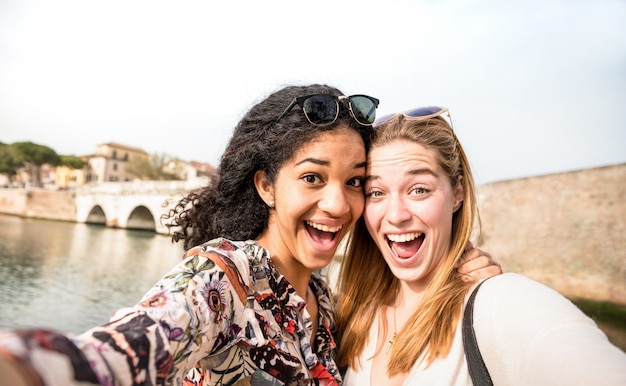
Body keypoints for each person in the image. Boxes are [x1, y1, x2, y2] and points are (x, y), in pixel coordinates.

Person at [0, 87, 499, 385]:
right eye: (312, 178)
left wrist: (453, 273)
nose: (338, 204)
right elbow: (122, 350)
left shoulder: (325, 304)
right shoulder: (222, 278)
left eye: (354, 182)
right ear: (265, 184)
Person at [335, 106, 626, 385]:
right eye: (376, 192)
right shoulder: (353, 318)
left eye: (419, 189)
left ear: (457, 193)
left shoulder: (499, 302)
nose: (396, 215)